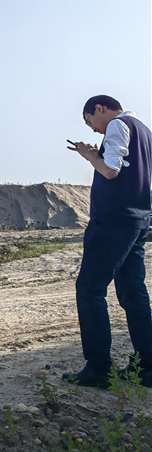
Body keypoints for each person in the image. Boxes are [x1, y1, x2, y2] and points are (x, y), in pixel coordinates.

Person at [65, 95, 152, 388]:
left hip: (113, 220)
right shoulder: (143, 130)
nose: (94, 131)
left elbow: (110, 171)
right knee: (133, 293)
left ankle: (99, 368)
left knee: (90, 290)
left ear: (99, 109)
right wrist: (96, 154)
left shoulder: (117, 124)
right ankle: (147, 367)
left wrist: (89, 156)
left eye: (91, 122)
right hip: (138, 218)